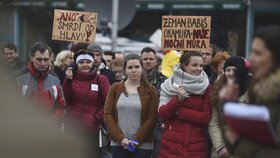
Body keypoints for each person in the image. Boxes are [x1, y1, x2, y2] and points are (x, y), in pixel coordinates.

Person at [221, 25, 280, 158]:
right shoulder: (259, 89)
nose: (251, 59)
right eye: (252, 52)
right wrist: (227, 105)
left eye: (258, 53)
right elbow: (231, 141)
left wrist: (239, 144)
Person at [158, 51, 211, 158]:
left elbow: (205, 117)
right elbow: (162, 113)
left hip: (196, 146)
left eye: (201, 65)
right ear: (184, 66)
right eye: (194, 65)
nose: (199, 68)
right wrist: (177, 99)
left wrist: (180, 112)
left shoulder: (206, 86)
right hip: (171, 145)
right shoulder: (170, 84)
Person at [104, 54, 158, 158]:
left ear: (142, 68)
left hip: (143, 145)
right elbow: (108, 115)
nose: (134, 70)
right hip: (119, 143)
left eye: (137, 67)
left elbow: (152, 118)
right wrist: (121, 139)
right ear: (125, 70)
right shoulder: (115, 88)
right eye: (130, 67)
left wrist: (136, 140)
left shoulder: (150, 90)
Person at [63, 49, 110, 158]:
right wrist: (68, 81)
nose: (85, 65)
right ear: (76, 64)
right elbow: (65, 100)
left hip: (93, 131)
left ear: (93, 63)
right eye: (81, 62)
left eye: (88, 62)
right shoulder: (71, 79)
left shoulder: (101, 80)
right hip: (72, 130)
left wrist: (96, 117)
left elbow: (108, 103)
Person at [209, 56, 251, 158]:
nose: (231, 73)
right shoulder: (218, 88)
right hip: (223, 152)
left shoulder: (252, 88)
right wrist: (220, 147)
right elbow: (214, 122)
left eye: (235, 70)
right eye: (228, 70)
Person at [14, 42, 66, 120]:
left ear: (50, 58)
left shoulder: (55, 78)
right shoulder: (17, 77)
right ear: (31, 58)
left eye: (46, 59)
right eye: (39, 59)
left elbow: (61, 106)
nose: (43, 63)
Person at [140, 47, 167, 158]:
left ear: (156, 61)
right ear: (140, 60)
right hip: (137, 127)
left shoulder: (165, 81)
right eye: (145, 59)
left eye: (151, 59)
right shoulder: (131, 80)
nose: (148, 61)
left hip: (158, 128)